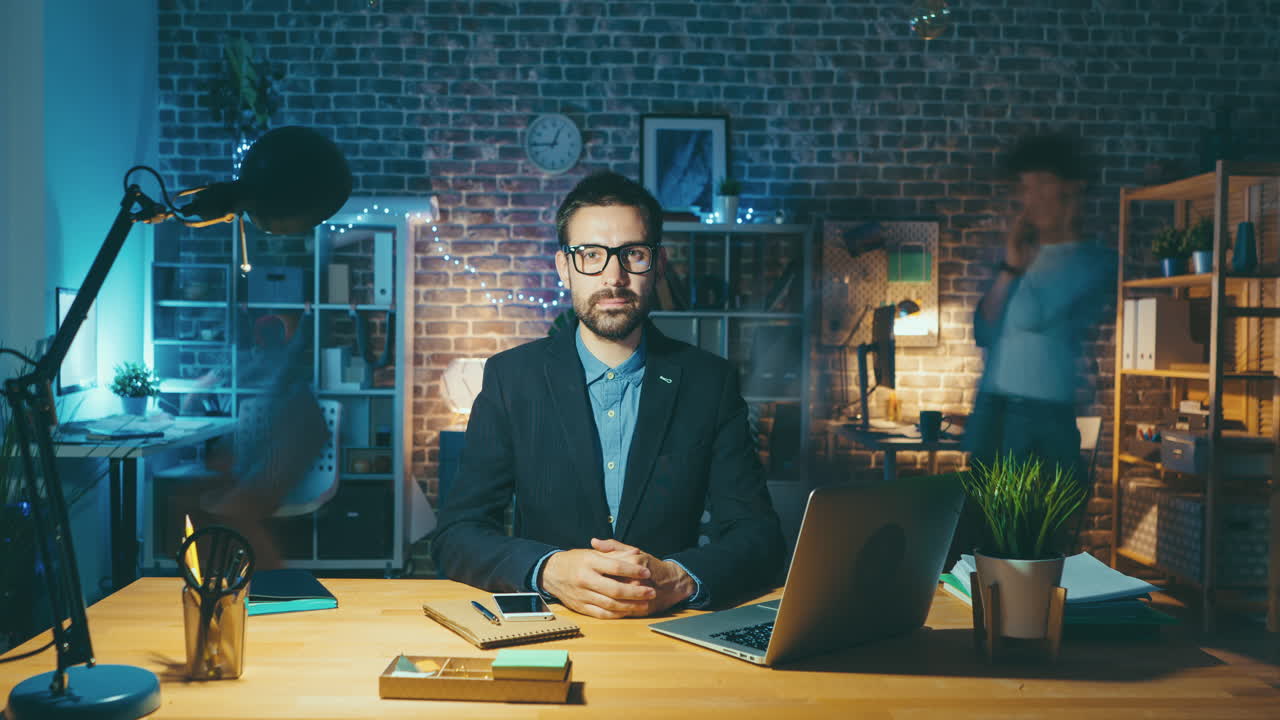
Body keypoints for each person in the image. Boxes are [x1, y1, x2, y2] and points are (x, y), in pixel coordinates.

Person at [430, 171, 785, 619]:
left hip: (669, 632)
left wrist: (678, 577)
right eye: (591, 255)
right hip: (547, 625)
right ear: (565, 268)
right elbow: (456, 535)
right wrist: (548, 569)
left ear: (657, 265)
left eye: (632, 254)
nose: (613, 276)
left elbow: (759, 537)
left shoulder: (709, 383)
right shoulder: (510, 378)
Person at [965, 132, 1115, 482]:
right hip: (995, 409)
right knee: (980, 525)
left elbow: (1036, 314)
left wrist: (1021, 265)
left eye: (1041, 185)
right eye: (1024, 188)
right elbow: (984, 331)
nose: (1029, 199)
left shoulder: (1091, 262)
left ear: (1071, 190)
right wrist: (1010, 269)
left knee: (1039, 528)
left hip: (1045, 415)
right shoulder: (1017, 258)